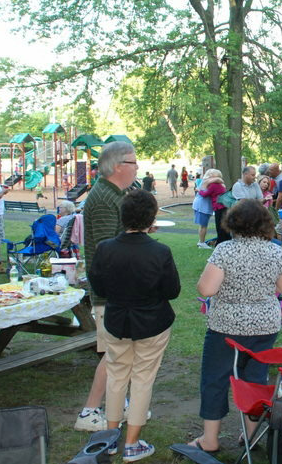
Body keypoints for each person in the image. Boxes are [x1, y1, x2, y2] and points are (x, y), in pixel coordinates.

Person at [190, 199, 282, 453]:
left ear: (233, 223)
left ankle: (210, 439)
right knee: (255, 379)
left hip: (226, 326)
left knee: (215, 378)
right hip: (264, 325)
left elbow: (206, 289)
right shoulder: (275, 251)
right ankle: (250, 435)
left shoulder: (225, 250)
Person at [89, 189, 180, 462]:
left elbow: (99, 286)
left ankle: (112, 440)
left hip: (118, 321)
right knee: (142, 379)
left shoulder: (105, 249)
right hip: (151, 322)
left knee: (117, 376)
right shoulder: (159, 252)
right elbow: (172, 290)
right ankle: (131, 443)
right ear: (151, 219)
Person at [76, 141, 139, 432]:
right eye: (133, 162)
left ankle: (119, 404)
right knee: (114, 354)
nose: (137, 168)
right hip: (111, 291)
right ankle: (89, 412)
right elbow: (106, 250)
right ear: (117, 167)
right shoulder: (103, 198)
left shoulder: (115, 194)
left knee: (122, 353)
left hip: (119, 288)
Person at [198, 169, 230, 246]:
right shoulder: (220, 185)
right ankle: (224, 240)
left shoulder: (214, 185)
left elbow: (205, 194)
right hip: (224, 206)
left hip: (219, 207)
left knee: (219, 225)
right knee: (223, 224)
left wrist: (199, 190)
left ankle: (220, 242)